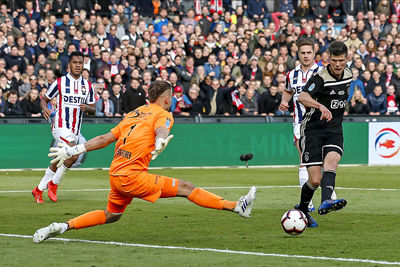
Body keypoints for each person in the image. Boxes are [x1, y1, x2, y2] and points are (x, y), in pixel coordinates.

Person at [32, 81, 257, 243]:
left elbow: (105, 139)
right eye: (172, 98)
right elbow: (161, 130)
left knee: (112, 215)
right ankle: (236, 206)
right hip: (132, 176)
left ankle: (62, 226)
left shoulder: (134, 113)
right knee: (186, 187)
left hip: (116, 174)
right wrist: (160, 141)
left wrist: (76, 148)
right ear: (166, 98)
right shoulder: (163, 114)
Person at [279, 38, 337, 219]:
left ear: (314, 53)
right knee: (305, 161)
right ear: (298, 54)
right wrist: (284, 101)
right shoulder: (292, 74)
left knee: (324, 161)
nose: (305, 56)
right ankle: (310, 202)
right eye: (302, 53)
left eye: (309, 52)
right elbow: (288, 91)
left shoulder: (322, 72)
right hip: (300, 125)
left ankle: (328, 194)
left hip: (320, 123)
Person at [296, 41, 350, 227]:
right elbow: (302, 97)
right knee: (315, 179)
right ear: (329, 59)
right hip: (313, 130)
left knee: (332, 161)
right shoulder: (320, 78)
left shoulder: (349, 74)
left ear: (347, 59)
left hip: (334, 128)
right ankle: (302, 210)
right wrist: (320, 105)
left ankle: (326, 201)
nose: (337, 65)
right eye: (334, 60)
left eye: (341, 60)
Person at [31, 51, 96, 203]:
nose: (78, 65)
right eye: (75, 62)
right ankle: (53, 184)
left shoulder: (87, 86)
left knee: (59, 160)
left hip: (75, 130)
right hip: (60, 126)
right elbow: (44, 99)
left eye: (80, 62)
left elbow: (93, 109)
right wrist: (45, 108)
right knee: (74, 154)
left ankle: (38, 190)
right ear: (69, 65)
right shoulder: (60, 82)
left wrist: (86, 107)